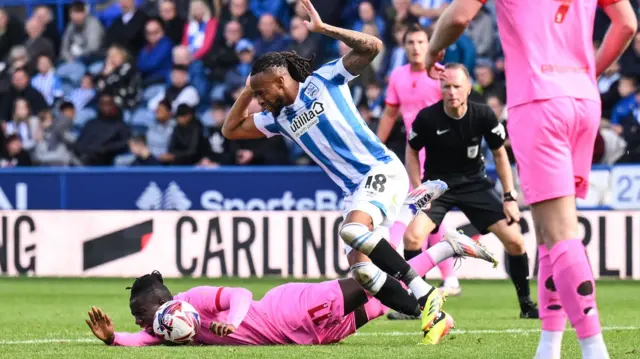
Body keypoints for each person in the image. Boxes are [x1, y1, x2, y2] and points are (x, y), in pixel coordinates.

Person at [220, 0, 490, 344]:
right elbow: (231, 130)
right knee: (362, 271)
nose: (258, 99)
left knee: (351, 231)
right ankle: (433, 307)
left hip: (379, 169)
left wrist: (325, 29)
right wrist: (246, 92)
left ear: (280, 79)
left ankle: (424, 290)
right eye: (254, 94)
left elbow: (374, 46)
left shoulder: (325, 79)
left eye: (261, 92)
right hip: (356, 189)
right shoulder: (278, 119)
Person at [424, 0, 638, 358]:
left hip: (539, 101)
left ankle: (594, 349)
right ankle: (549, 346)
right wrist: (589, 75)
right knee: (547, 234)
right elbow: (627, 24)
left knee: (561, 233)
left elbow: (459, 15)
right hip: (583, 102)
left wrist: (432, 50)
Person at [86, 236, 498, 346]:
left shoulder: (191, 300)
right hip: (311, 336)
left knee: (366, 278)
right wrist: (112, 340)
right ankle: (448, 250)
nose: (138, 321)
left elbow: (241, 296)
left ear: (158, 302)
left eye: (138, 313)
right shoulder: (166, 330)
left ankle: (433, 293)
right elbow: (140, 339)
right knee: (381, 300)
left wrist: (231, 322)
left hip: (294, 310)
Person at [402, 63, 537, 321]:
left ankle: (527, 306)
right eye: (446, 86)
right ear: (440, 89)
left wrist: (509, 197)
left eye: (456, 86)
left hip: (475, 184)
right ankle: (414, 305)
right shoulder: (427, 118)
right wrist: (419, 189)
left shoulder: (484, 114)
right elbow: (411, 150)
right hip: (437, 187)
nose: (451, 91)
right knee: (412, 239)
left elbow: (500, 153)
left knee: (516, 241)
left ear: (468, 88)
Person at [375, 23, 461, 302]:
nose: (415, 47)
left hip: (438, 154)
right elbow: (390, 114)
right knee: (425, 216)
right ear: (404, 46)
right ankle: (447, 278)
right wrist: (375, 147)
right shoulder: (397, 76)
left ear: (430, 45)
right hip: (413, 153)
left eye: (421, 42)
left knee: (428, 215)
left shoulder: (440, 75)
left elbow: (457, 110)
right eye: (410, 42)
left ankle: (447, 277)